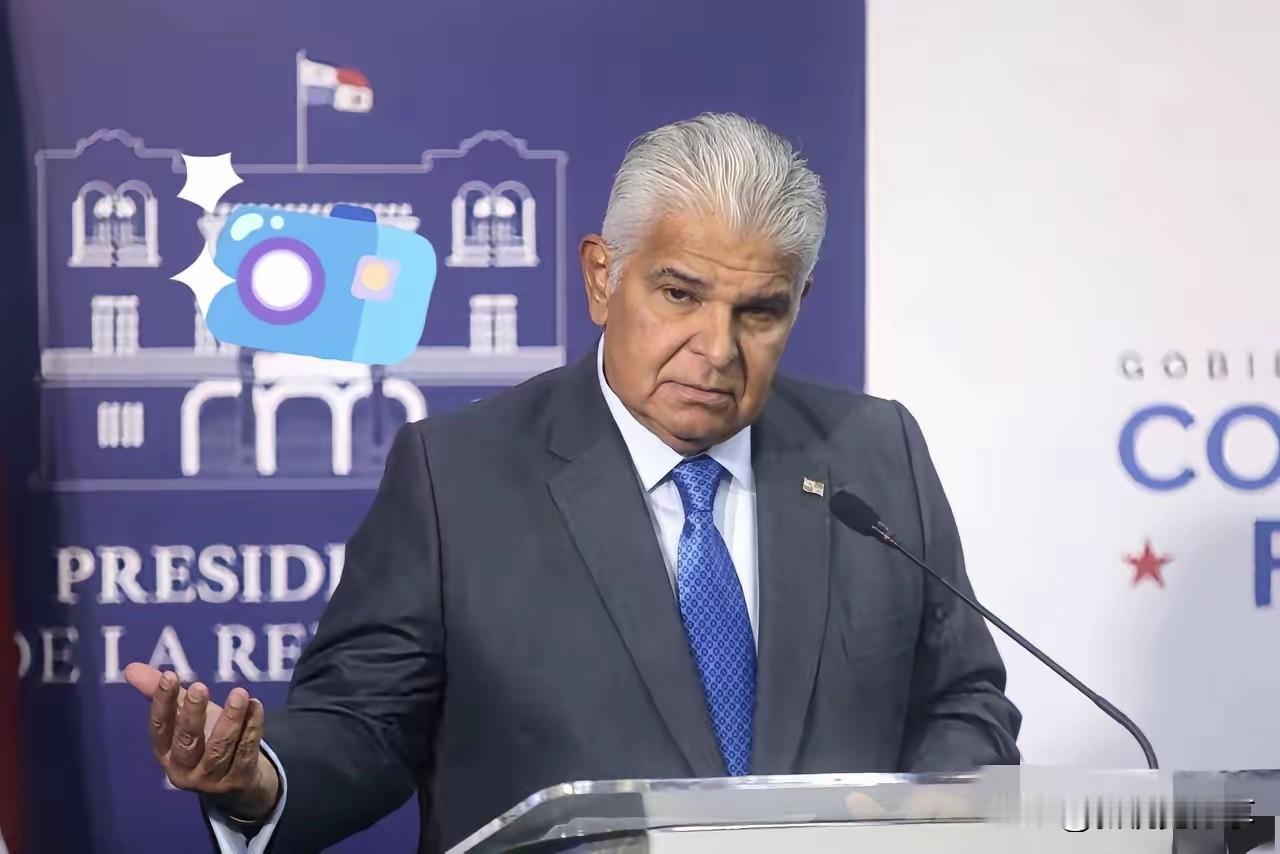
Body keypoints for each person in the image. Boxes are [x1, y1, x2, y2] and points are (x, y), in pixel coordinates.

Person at [125, 112, 1021, 853]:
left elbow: (963, 699)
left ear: (798, 305)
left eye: (758, 311)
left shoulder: (873, 452)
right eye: (680, 295)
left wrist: (924, 813)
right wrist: (258, 778)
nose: (717, 349)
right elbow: (366, 724)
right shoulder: (457, 476)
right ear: (603, 277)